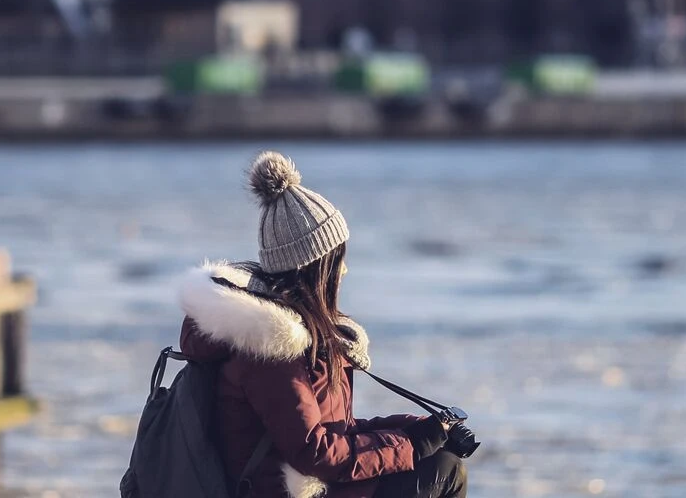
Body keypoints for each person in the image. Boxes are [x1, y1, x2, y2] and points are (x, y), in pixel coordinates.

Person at [175, 151, 469, 498]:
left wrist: (422, 430)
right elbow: (316, 452)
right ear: (314, 269)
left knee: (443, 460)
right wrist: (412, 446)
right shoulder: (270, 348)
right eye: (337, 261)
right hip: (286, 491)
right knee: (444, 471)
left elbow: (336, 430)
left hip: (316, 482)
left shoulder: (300, 336)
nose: (343, 272)